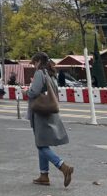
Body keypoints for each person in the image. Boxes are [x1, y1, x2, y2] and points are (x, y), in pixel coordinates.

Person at [26, 52, 73, 188]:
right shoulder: (51, 74)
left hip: (40, 113)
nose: (34, 66)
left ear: (39, 61)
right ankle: (44, 175)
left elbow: (34, 92)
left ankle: (63, 167)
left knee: (41, 145)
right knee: (43, 143)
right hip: (48, 111)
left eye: (34, 63)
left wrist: (26, 91)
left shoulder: (40, 73)